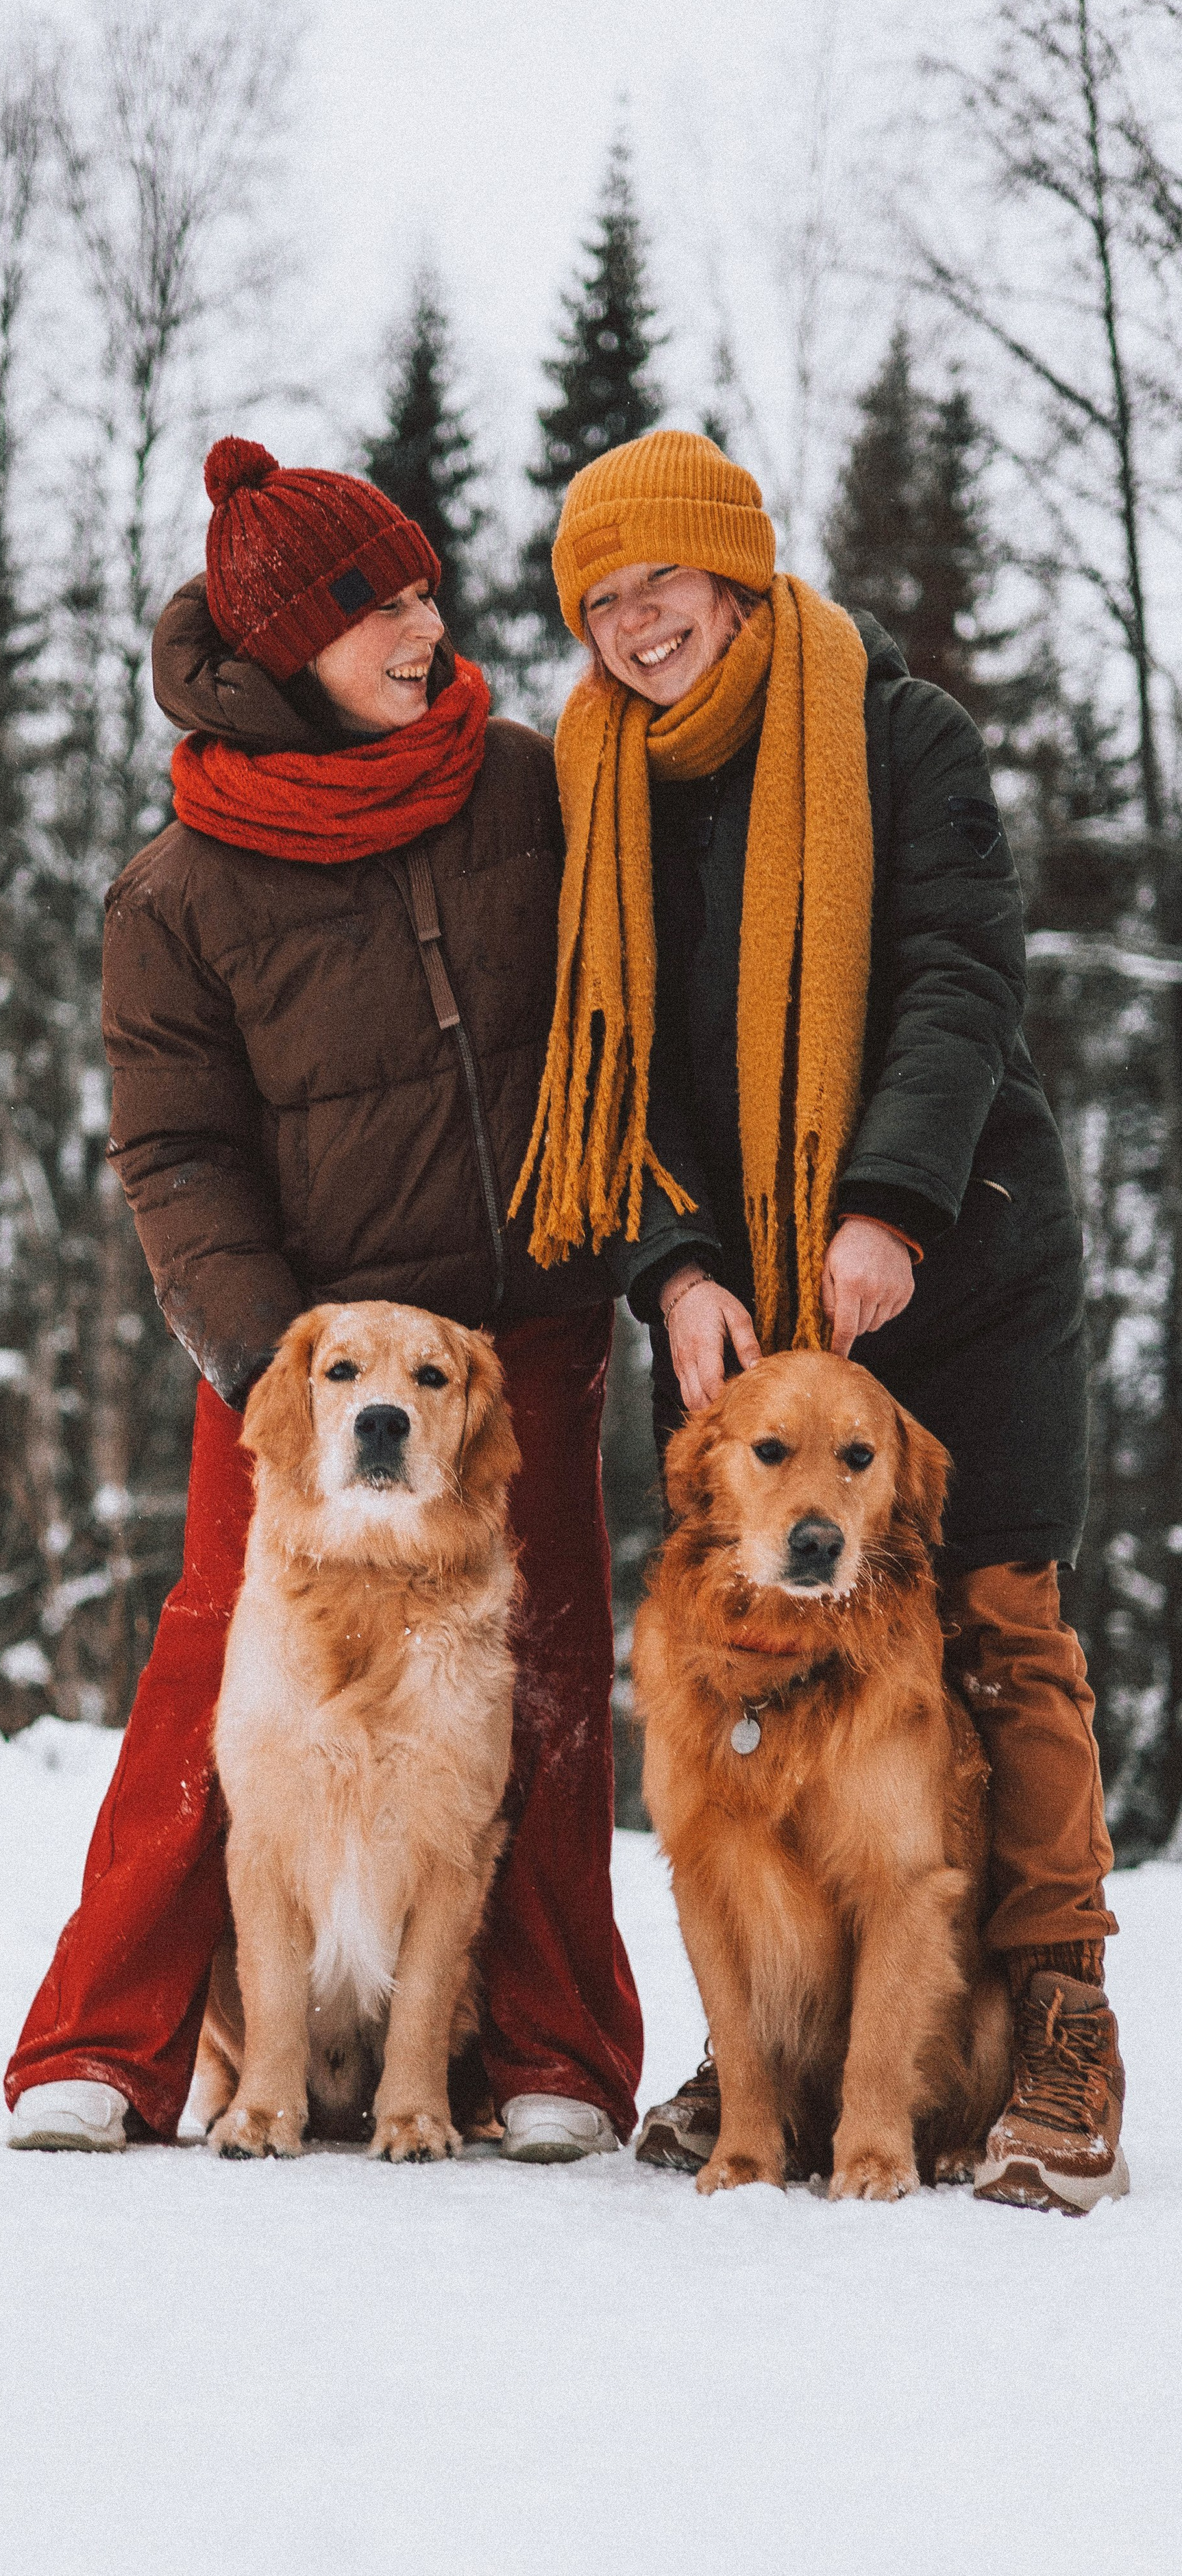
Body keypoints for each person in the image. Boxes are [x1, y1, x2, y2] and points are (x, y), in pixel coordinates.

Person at [512, 428, 1125, 2213]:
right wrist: (680, 1266)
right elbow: (606, 1067)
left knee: (999, 1635)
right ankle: (776, 2039)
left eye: (663, 585)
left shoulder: (893, 731)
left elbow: (961, 969)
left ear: (739, 574)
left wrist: (890, 1206)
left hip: (964, 1253)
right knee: (748, 1667)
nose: (635, 627)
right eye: (601, 601)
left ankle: (1059, 2024)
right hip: (741, 1310)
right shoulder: (597, 785)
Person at [6, 437, 642, 2159]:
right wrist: (259, 1362)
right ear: (290, 640)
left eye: (429, 589)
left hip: (517, 1331)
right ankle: (108, 2045)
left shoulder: (525, 785)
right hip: (301, 1351)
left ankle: (551, 2058)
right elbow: (177, 1154)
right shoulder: (180, 885)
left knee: (548, 1676)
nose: (427, 627)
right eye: (385, 605)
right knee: (222, 1663)